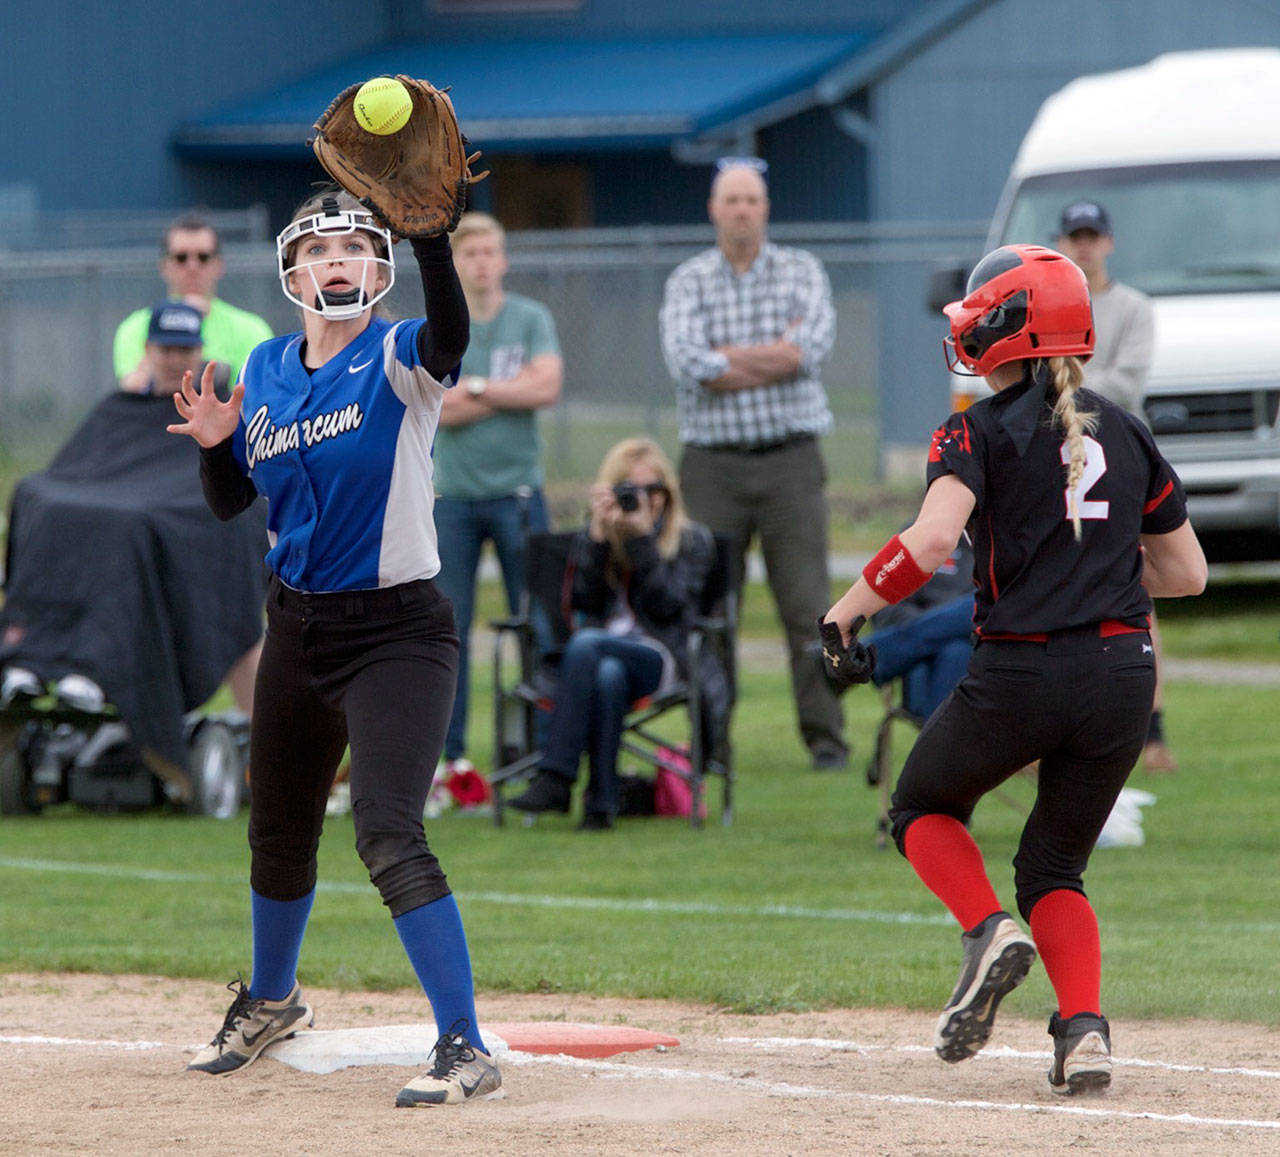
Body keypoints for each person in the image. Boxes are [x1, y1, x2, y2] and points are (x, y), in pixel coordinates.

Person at [820, 244, 1205, 1096]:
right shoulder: (1128, 428)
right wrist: (1095, 569)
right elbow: (1187, 574)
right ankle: (1084, 1031)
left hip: (1025, 670)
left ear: (1003, 330)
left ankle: (989, 929)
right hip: (1123, 676)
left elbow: (927, 542)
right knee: (1057, 868)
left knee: (922, 804)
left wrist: (846, 611)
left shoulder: (973, 428)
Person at [167, 188, 500, 1107]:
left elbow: (451, 339)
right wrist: (214, 447)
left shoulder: (400, 356)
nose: (340, 261)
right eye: (322, 250)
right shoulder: (269, 366)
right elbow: (236, 500)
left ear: (380, 266)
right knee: (277, 831)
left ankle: (465, 1044)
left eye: (357, 245)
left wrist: (434, 239)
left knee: (389, 833)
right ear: (294, 272)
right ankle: (273, 998)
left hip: (396, 632)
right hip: (296, 625)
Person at [659, 157, 847, 771]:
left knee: (807, 606)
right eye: (731, 200)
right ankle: (712, 743)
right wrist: (774, 354)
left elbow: (808, 351)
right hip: (711, 467)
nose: (741, 209)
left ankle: (825, 738)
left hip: (790, 461)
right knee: (712, 609)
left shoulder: (802, 272)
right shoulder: (689, 280)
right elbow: (689, 362)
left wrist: (729, 360)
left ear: (765, 208)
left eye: (751, 200)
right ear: (713, 209)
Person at [505, 438, 716, 830]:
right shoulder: (596, 536)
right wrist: (600, 541)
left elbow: (668, 606)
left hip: (662, 657)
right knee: (606, 675)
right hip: (598, 662)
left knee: (587, 645)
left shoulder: (691, 540)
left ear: (668, 492)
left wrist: (641, 543)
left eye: (654, 490)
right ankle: (600, 806)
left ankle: (556, 776)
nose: (645, 500)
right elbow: (584, 604)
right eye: (629, 491)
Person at [431, 211, 563, 780]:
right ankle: (448, 757)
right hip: (452, 500)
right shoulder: (441, 327)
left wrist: (477, 387)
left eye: (490, 252)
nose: (481, 263)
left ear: (503, 259)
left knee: (537, 624)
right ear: (455, 264)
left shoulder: (530, 319)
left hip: (519, 497)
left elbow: (547, 386)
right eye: (469, 254)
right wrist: (508, 393)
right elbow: (437, 406)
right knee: (446, 630)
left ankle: (536, 751)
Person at [1054, 199, 1176, 773]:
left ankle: (1150, 730)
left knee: (1136, 587)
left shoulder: (1131, 308)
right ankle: (1052, 727)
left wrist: (1062, 382)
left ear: (1108, 243)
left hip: (1117, 461)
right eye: (1074, 235)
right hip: (1054, 462)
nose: (1084, 245)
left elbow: (1125, 385)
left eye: (1092, 236)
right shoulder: (1051, 300)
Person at [114, 213, 273, 393]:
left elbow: (255, 398)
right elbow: (133, 390)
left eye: (203, 257)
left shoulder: (251, 329)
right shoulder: (135, 327)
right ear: (164, 266)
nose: (192, 267)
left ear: (219, 265)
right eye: (181, 257)